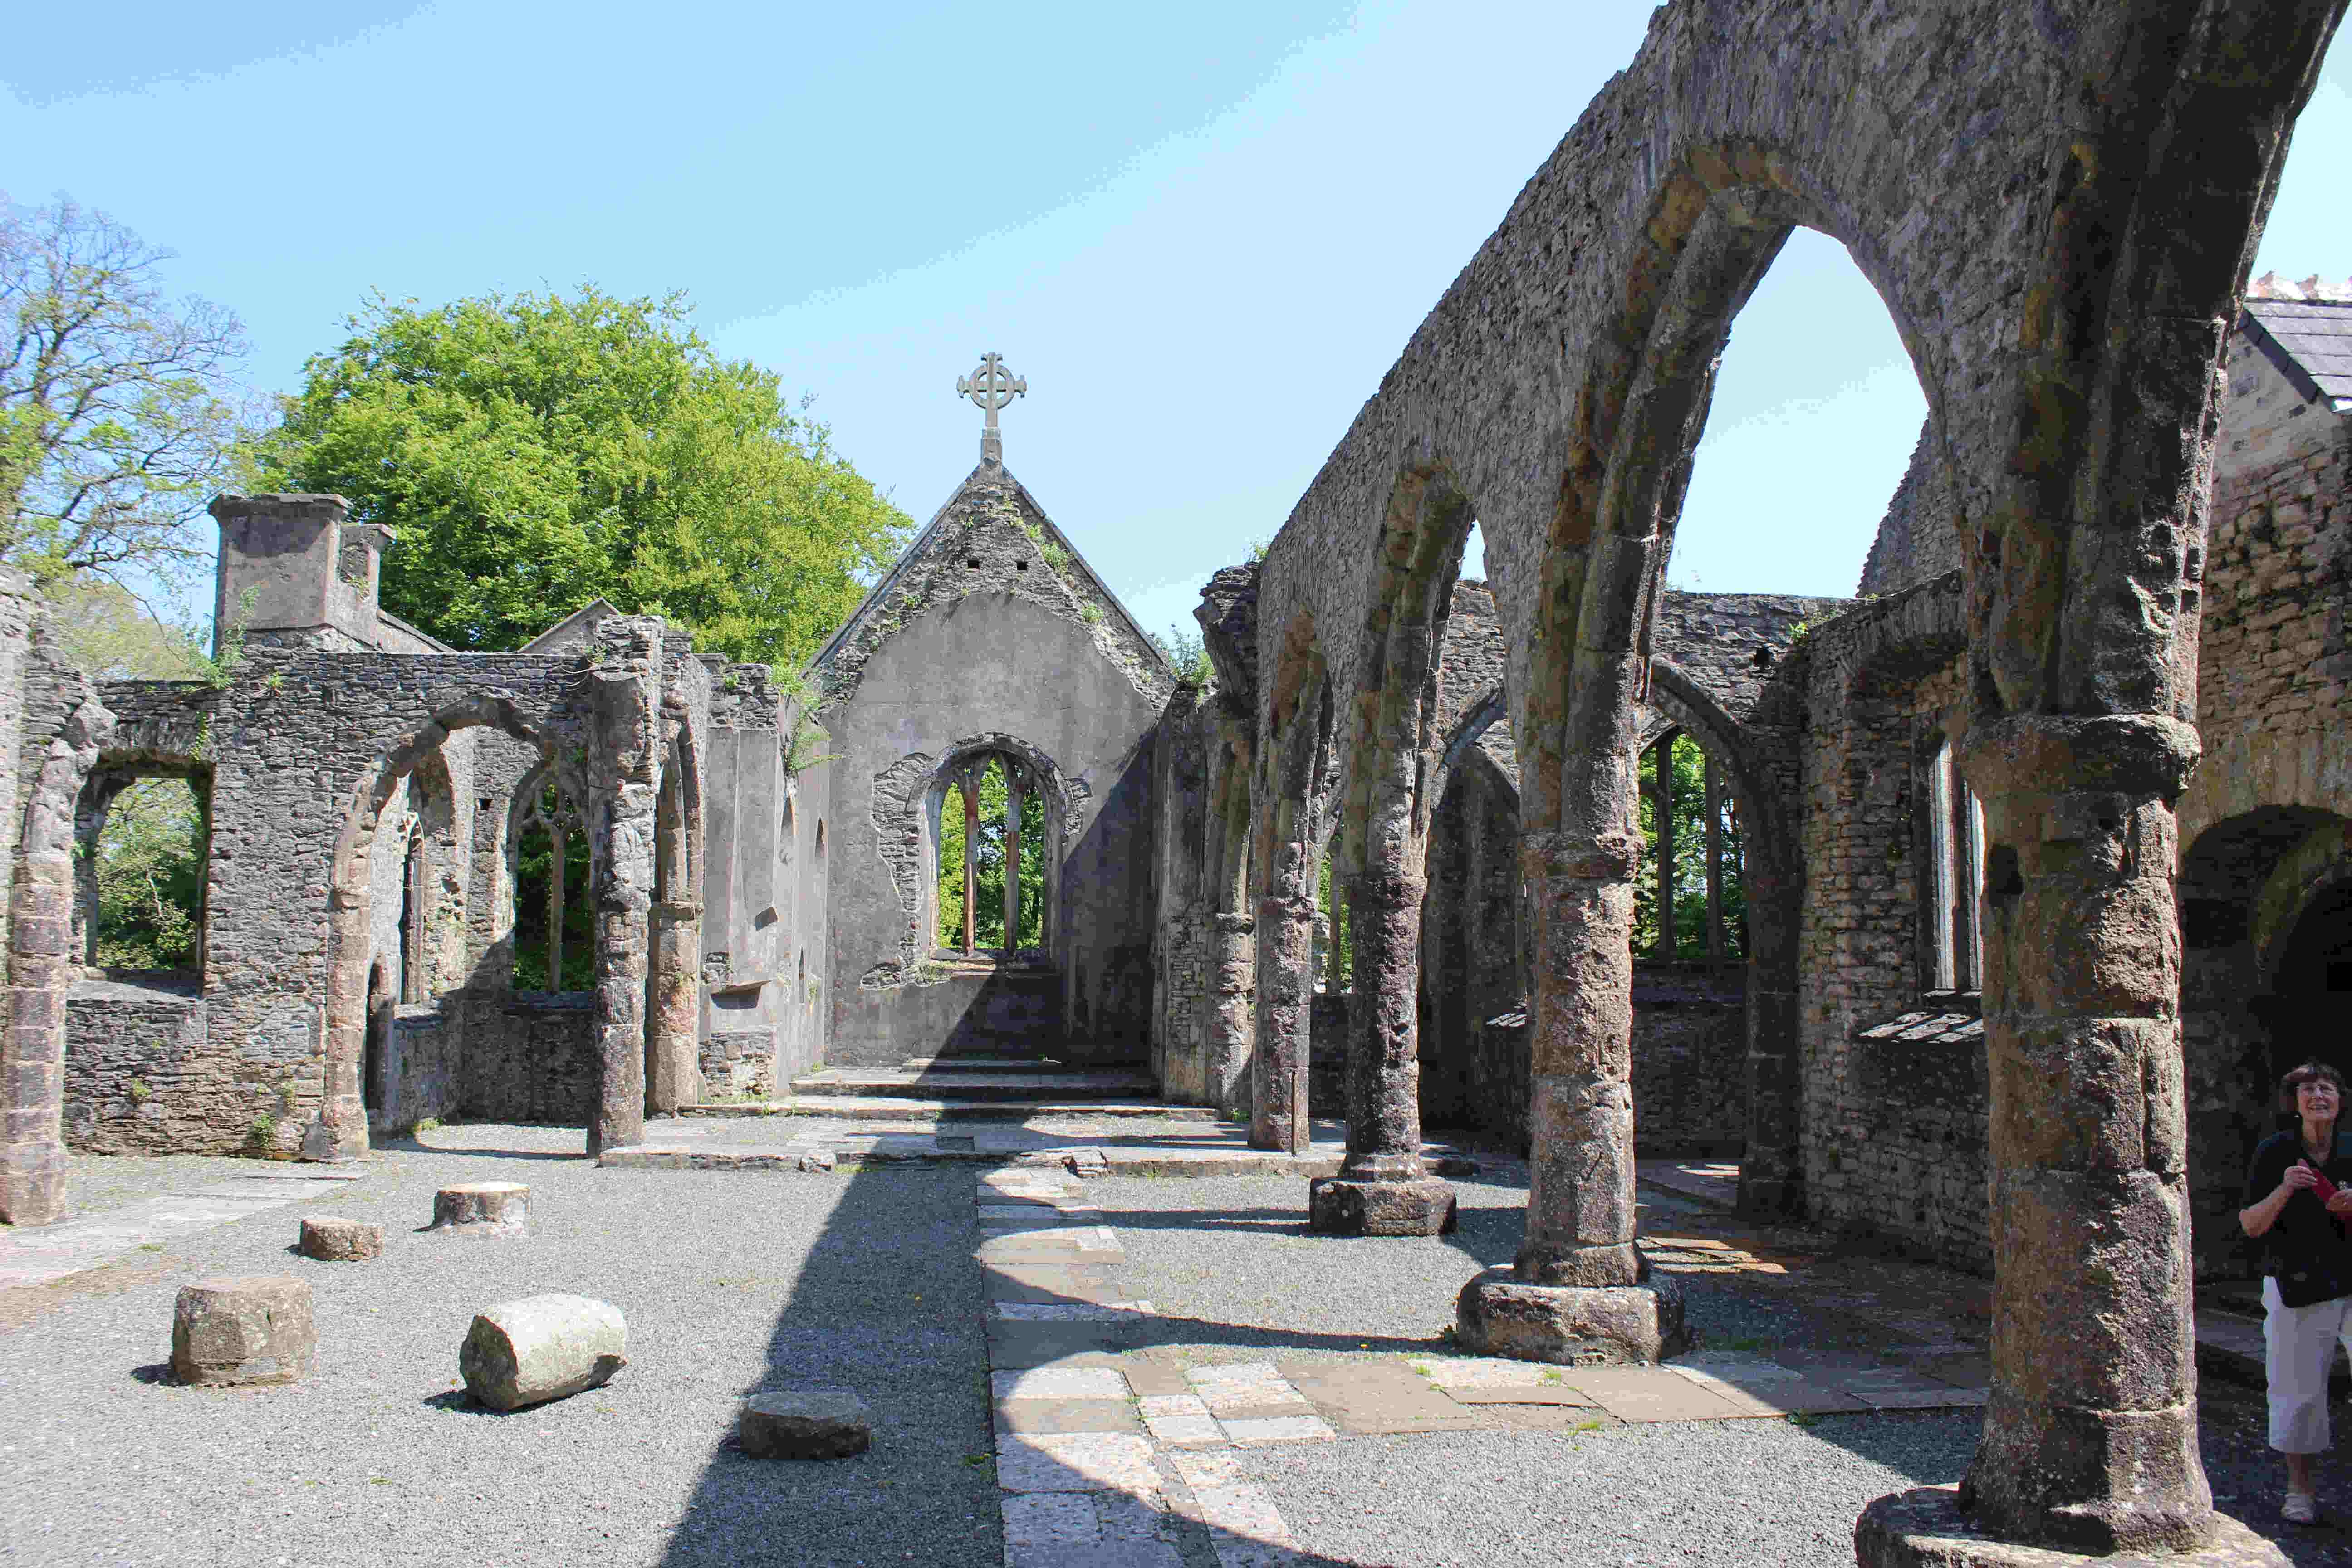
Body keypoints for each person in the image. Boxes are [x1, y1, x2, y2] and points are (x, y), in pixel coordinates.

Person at [2242, 1060, 2352, 1524]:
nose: (2317, 1096)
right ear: (2296, 1103)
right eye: (2307, 1090)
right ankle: (2301, 1492)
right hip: (2298, 1284)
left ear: (2340, 1099)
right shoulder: (2275, 1153)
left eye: (2326, 1087)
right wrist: (2285, 1188)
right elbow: (2252, 1225)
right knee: (2298, 1393)